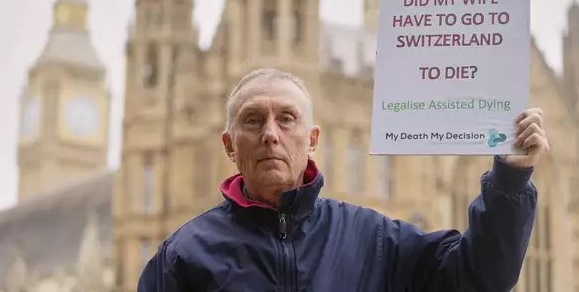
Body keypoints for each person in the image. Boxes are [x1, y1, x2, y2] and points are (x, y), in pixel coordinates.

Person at [138, 68, 547, 292]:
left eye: (286, 118)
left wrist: (510, 179)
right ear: (230, 145)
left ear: (312, 140)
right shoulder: (183, 256)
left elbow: (479, 277)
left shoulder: (372, 239)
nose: (270, 133)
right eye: (253, 120)